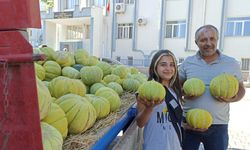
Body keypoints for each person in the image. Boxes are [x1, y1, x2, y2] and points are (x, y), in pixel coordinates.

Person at [179, 24, 246, 150]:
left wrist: (232, 98)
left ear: (217, 39)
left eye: (212, 39)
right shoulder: (187, 62)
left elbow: (241, 89)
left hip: (218, 125)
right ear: (196, 42)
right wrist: (184, 92)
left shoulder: (231, 63)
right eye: (203, 40)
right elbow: (177, 87)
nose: (208, 43)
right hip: (190, 123)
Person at [136, 49, 183, 150]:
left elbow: (176, 120)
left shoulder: (174, 91)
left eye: (172, 65)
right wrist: (149, 108)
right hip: (154, 146)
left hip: (175, 146)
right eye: (163, 64)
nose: (168, 68)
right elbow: (140, 123)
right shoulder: (145, 90)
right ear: (155, 67)